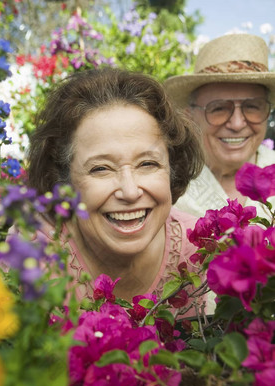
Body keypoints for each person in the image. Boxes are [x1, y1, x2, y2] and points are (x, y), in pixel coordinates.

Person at [26, 66, 205, 307]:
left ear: (172, 170)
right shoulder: (35, 253)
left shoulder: (197, 247)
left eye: (148, 163)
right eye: (101, 168)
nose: (130, 192)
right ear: (62, 180)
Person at [164, 33, 275, 218]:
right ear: (189, 117)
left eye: (252, 107)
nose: (237, 124)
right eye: (219, 109)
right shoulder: (166, 184)